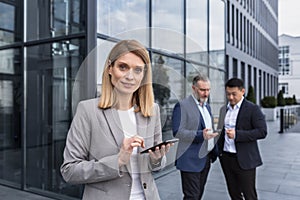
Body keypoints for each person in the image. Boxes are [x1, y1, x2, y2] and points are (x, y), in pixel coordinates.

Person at [60, 39, 172, 200]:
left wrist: (157, 159)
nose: (130, 76)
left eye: (138, 70)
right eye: (123, 67)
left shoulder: (152, 110)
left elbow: (156, 166)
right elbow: (69, 171)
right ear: (110, 68)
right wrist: (118, 161)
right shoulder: (88, 110)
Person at [217, 78, 267, 200]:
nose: (231, 97)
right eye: (228, 94)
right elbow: (220, 131)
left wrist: (237, 135)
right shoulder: (224, 110)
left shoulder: (253, 109)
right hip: (227, 158)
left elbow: (262, 132)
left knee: (249, 194)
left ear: (242, 91)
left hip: (245, 160)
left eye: (234, 94)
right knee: (234, 193)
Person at [172, 74, 219, 199]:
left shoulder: (207, 106)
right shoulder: (182, 106)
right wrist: (200, 135)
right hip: (190, 160)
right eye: (202, 90)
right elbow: (177, 131)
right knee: (191, 196)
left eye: (208, 90)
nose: (206, 93)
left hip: (206, 158)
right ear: (193, 88)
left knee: (198, 195)